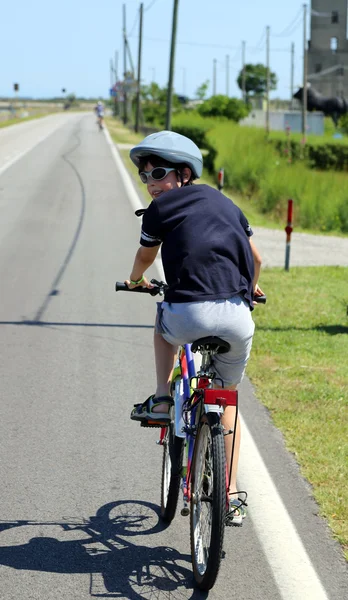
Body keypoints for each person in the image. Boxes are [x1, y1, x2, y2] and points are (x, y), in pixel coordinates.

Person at [125, 130, 263, 525]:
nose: (152, 184)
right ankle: (232, 493)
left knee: (162, 324)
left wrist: (135, 281)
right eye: (145, 177)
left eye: (159, 174)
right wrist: (252, 288)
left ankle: (162, 398)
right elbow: (257, 259)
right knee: (227, 398)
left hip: (188, 314)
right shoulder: (228, 203)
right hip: (238, 316)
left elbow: (145, 256)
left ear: (184, 173)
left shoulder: (160, 210)